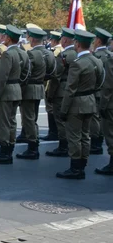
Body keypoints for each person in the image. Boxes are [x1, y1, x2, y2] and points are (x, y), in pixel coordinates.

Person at [56, 30, 104, 180]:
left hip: (76, 103)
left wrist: (64, 110)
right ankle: (82, 164)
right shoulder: (97, 60)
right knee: (85, 136)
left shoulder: (78, 64)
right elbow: (100, 81)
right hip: (90, 101)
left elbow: (70, 90)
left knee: (75, 136)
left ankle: (75, 167)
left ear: (77, 43)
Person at [0, 25, 29, 164]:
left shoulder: (7, 54)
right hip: (17, 90)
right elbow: (26, 73)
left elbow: (2, 77)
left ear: (9, 38)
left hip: (6, 91)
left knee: (3, 123)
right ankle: (10, 148)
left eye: (5, 36)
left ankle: (4, 152)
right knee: (12, 122)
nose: (3, 38)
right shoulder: (23, 52)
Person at [16, 27, 53, 160]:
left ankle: (33, 147)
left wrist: (21, 86)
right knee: (33, 118)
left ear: (32, 38)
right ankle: (33, 144)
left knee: (29, 119)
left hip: (30, 89)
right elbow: (51, 72)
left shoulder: (31, 54)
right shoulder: (49, 53)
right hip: (40, 87)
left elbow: (25, 74)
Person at [46, 28, 77, 157]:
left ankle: (63, 146)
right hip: (76, 91)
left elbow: (55, 76)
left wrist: (50, 94)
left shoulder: (64, 55)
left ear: (64, 39)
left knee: (60, 119)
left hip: (62, 91)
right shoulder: (78, 54)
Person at [89, 28, 112, 155]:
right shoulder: (109, 54)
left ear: (98, 41)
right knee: (101, 120)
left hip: (99, 91)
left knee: (95, 118)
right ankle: (98, 141)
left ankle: (96, 143)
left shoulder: (98, 56)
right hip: (104, 92)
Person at [96, 32, 113, 175]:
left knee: (110, 133)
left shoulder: (111, 60)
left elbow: (108, 86)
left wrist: (103, 105)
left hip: (111, 104)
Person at [41, 30, 63, 141]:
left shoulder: (54, 52)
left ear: (54, 40)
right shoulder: (62, 50)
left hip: (51, 83)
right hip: (61, 85)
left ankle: (53, 132)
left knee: (50, 108)